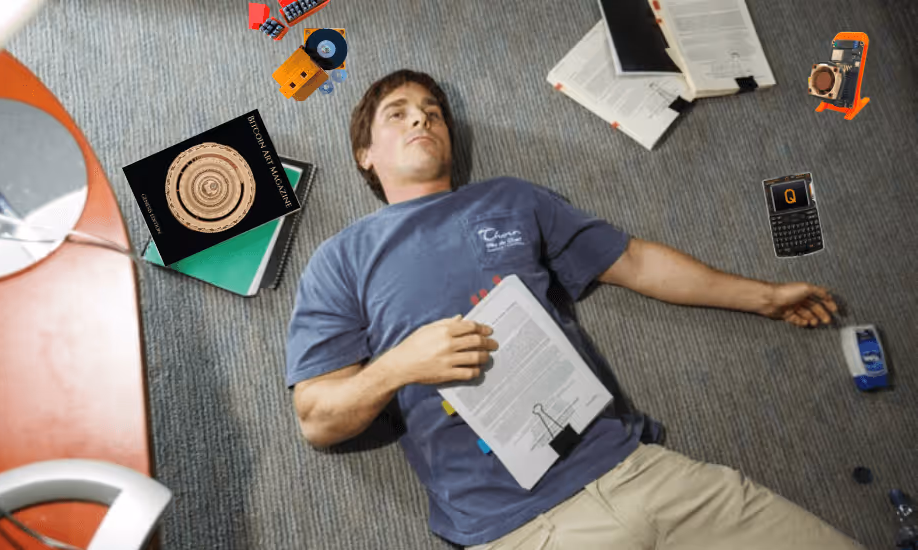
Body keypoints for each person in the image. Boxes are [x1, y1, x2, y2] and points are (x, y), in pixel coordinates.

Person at [285, 69, 863, 549]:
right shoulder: (340, 259)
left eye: (433, 112)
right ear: (365, 154)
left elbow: (632, 260)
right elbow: (316, 419)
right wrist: (399, 366)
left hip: (637, 470)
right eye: (399, 113)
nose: (422, 119)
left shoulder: (510, 198)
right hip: (520, 528)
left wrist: (764, 297)